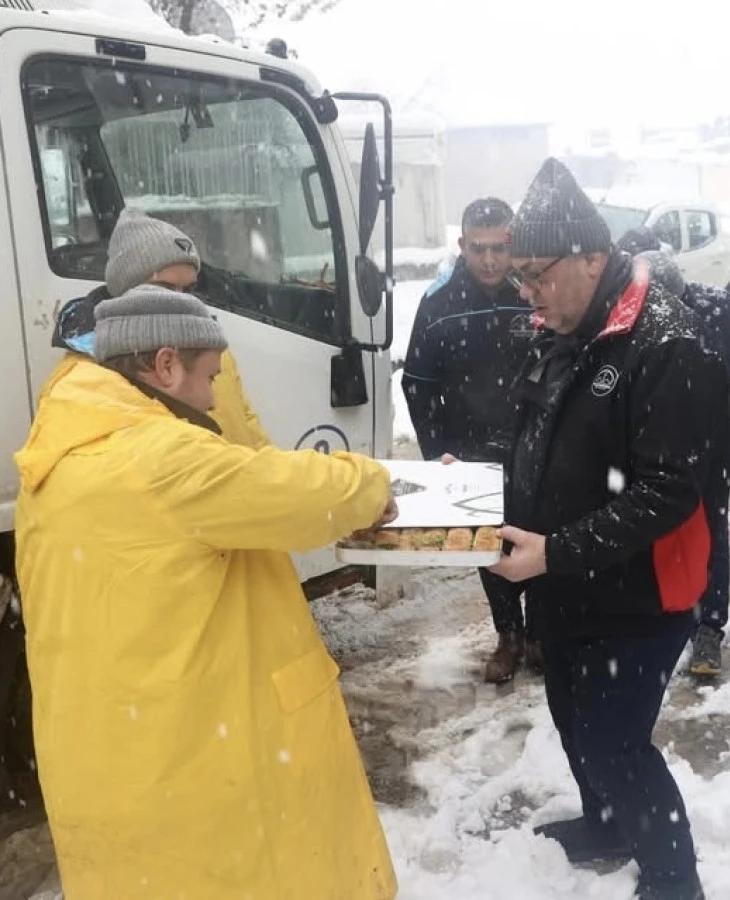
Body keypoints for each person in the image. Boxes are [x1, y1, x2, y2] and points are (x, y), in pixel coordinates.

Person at [15, 286, 399, 899]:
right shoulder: (159, 456)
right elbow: (293, 492)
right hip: (184, 767)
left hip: (101, 755)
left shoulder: (61, 446)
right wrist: (373, 481)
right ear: (164, 365)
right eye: (211, 376)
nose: (216, 395)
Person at [491, 158, 726, 900]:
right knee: (570, 717)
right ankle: (605, 823)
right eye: (518, 277)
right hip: (564, 582)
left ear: (592, 257)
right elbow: (536, 434)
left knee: (616, 741)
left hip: (638, 595)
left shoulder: (664, 342)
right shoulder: (561, 325)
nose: (525, 292)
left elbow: (669, 492)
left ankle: (672, 876)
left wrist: (557, 550)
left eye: (535, 273)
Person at [403, 198, 538, 684]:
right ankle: (509, 635)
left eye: (499, 248)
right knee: (490, 549)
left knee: (540, 540)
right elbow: (416, 382)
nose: (489, 260)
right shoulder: (439, 305)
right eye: (478, 248)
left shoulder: (532, 292)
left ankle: (540, 633)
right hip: (471, 454)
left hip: (533, 447)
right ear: (461, 245)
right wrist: (437, 451)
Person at [626, 236, 730, 676]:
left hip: (711, 447)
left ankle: (709, 627)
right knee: (652, 537)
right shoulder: (628, 318)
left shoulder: (718, 311)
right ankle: (660, 619)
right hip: (651, 451)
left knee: (711, 536)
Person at [48, 207, 270, 450]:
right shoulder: (90, 376)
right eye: (163, 288)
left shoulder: (214, 354)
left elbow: (251, 434)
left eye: (189, 290)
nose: (182, 301)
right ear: (126, 291)